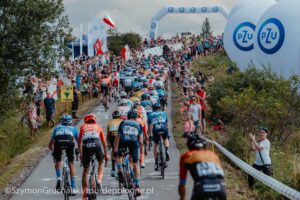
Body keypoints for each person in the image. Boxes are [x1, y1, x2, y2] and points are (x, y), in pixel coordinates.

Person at [178, 134, 226, 200]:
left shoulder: (186, 156)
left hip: (201, 188)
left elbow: (182, 183)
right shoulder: (213, 155)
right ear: (204, 146)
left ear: (189, 146)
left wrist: (182, 198)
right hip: (220, 188)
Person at [78, 114, 109, 200]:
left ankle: (84, 195)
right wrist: (106, 154)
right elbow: (104, 142)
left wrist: (81, 154)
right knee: (101, 162)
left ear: (86, 121)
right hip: (96, 143)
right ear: (94, 120)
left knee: (85, 170)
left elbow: (79, 142)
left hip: (86, 144)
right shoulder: (98, 126)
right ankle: (99, 180)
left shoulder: (82, 127)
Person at [113, 110, 143, 196]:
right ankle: (137, 186)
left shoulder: (123, 122)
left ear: (128, 117)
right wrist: (139, 149)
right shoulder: (139, 125)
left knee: (120, 155)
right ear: (136, 118)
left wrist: (115, 150)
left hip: (123, 140)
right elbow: (141, 141)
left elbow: (117, 138)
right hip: (133, 142)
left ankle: (119, 170)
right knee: (136, 163)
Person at [48, 114, 78, 195]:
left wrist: (53, 151)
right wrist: (78, 150)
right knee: (71, 163)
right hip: (69, 143)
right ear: (70, 122)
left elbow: (50, 144)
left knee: (58, 160)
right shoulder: (73, 129)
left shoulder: (57, 128)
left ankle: (59, 177)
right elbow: (79, 141)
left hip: (58, 143)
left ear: (61, 122)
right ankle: (73, 187)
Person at [148, 103, 170, 171]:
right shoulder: (164, 113)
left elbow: (149, 126)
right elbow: (167, 124)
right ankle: (166, 150)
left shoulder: (150, 114)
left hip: (156, 128)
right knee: (166, 138)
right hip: (163, 127)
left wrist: (150, 135)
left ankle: (156, 162)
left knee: (155, 145)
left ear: (153, 108)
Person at [107, 111, 123, 177]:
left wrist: (108, 143)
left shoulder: (110, 122)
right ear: (119, 116)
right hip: (120, 137)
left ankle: (113, 169)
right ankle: (122, 165)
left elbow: (108, 135)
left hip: (112, 136)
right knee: (122, 150)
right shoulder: (122, 121)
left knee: (114, 150)